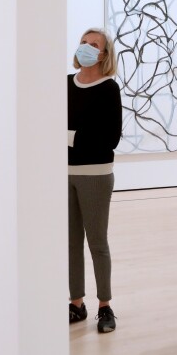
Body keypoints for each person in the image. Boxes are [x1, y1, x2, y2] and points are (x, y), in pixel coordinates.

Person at [67, 28, 122, 332]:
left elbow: (109, 138)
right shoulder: (65, 84)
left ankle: (106, 306)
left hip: (96, 176)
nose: (86, 48)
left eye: (94, 45)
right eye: (83, 43)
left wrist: (68, 137)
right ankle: (76, 304)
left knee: (97, 242)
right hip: (63, 175)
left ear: (104, 55)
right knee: (70, 243)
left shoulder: (108, 90)